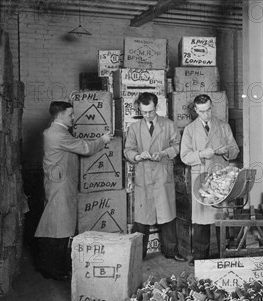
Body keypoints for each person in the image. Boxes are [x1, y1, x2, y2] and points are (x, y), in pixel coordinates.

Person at [35, 101, 111, 280]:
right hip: (60, 186)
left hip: (59, 182)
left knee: (56, 225)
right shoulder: (58, 134)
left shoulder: (54, 132)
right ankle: (53, 269)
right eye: (70, 114)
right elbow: (85, 148)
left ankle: (52, 265)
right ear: (60, 115)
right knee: (59, 226)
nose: (74, 118)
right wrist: (102, 140)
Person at [124, 92, 186, 262]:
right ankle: (138, 254)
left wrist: (164, 153)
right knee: (142, 219)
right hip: (143, 176)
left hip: (162, 175)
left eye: (150, 111)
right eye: (144, 112)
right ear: (139, 109)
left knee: (167, 216)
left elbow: (177, 146)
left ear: (156, 107)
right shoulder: (134, 128)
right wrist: (137, 156)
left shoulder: (168, 125)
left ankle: (171, 251)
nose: (147, 115)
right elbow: (128, 150)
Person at [180, 94, 240, 266]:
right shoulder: (190, 130)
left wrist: (227, 150)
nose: (206, 114)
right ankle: (200, 256)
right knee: (201, 219)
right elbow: (184, 156)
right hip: (200, 177)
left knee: (221, 217)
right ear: (195, 110)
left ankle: (224, 253)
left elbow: (235, 150)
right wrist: (200, 154)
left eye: (208, 110)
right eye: (202, 111)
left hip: (220, 177)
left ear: (211, 107)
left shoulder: (223, 126)